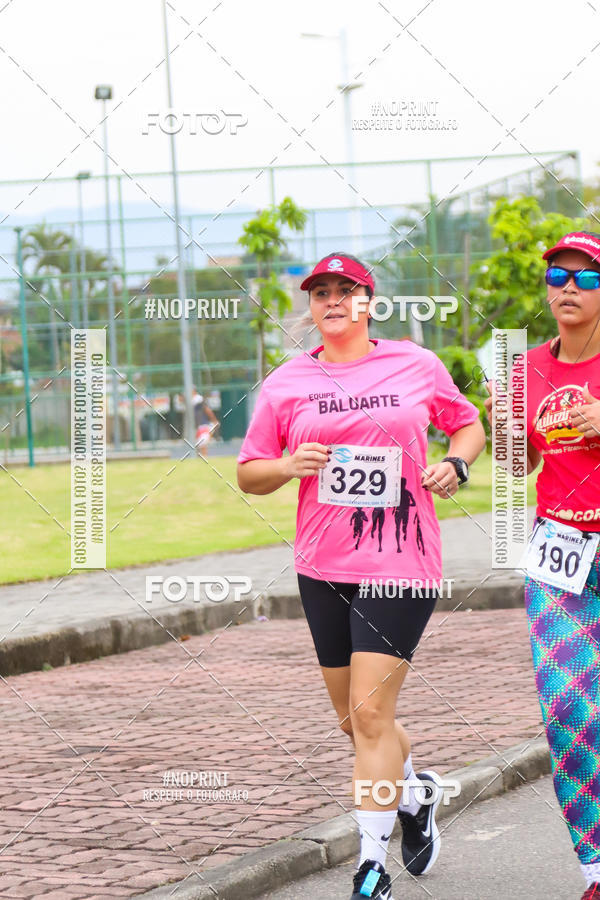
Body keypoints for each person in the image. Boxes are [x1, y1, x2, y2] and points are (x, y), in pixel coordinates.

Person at [237, 252, 486, 898]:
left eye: (346, 290)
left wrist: (455, 467)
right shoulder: (286, 383)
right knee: (356, 723)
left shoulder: (415, 363)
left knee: (372, 714)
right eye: (321, 292)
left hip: (401, 562)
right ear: (310, 307)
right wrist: (290, 465)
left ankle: (370, 866)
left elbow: (466, 426)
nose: (333, 300)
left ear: (369, 301)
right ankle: (415, 792)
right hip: (323, 569)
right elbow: (248, 473)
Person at [485, 231, 600, 900]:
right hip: (560, 554)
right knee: (570, 710)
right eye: (559, 275)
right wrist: (504, 428)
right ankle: (594, 870)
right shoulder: (527, 369)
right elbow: (517, 464)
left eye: (585, 279)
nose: (568, 288)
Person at [192, 389, 219, 458]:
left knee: (202, 444)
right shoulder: (191, 400)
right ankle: (201, 460)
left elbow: (208, 410)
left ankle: (204, 458)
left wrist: (214, 420)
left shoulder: (198, 400)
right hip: (196, 427)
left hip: (203, 426)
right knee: (198, 446)